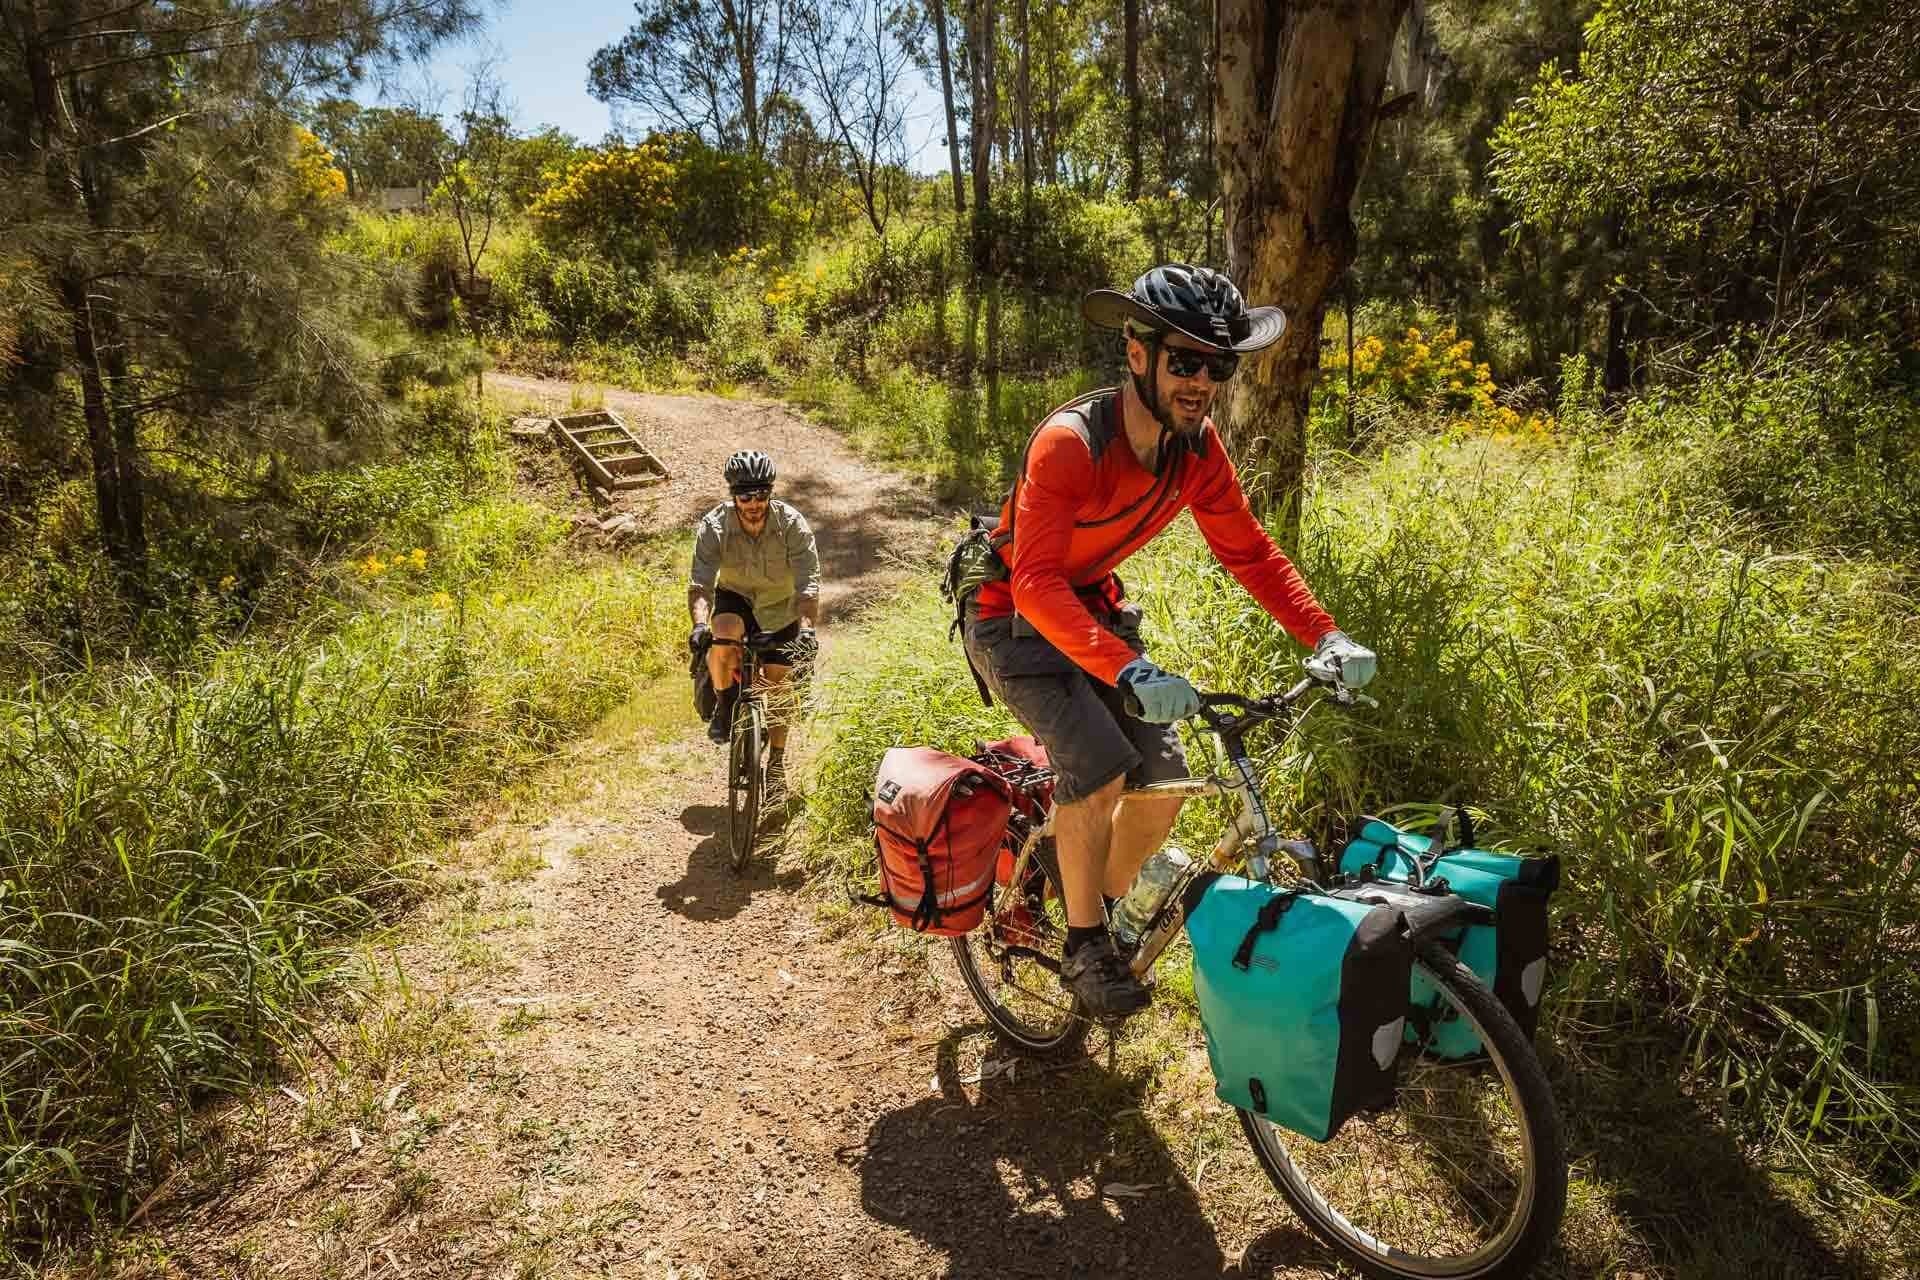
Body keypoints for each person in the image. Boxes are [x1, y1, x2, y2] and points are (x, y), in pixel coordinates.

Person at [959, 264, 1378, 1017]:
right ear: (1136, 353)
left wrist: (1325, 634)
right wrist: (1126, 670)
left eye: (1216, 366)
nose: (1201, 382)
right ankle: (1085, 946)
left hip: (1088, 608)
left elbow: (1249, 552)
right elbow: (1036, 585)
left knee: (1167, 776)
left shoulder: (1198, 452)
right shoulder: (1071, 445)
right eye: (1184, 361)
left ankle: (1078, 890)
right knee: (1101, 763)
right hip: (1009, 614)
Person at [689, 450, 821, 788]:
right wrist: (700, 624)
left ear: (770, 493)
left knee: (778, 682)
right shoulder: (715, 525)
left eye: (761, 494)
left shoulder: (791, 524)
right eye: (745, 495)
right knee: (723, 633)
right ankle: (723, 705)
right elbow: (701, 585)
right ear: (733, 496)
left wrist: (806, 631)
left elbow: (808, 584)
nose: (753, 503)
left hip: (780, 606)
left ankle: (777, 760)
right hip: (737, 597)